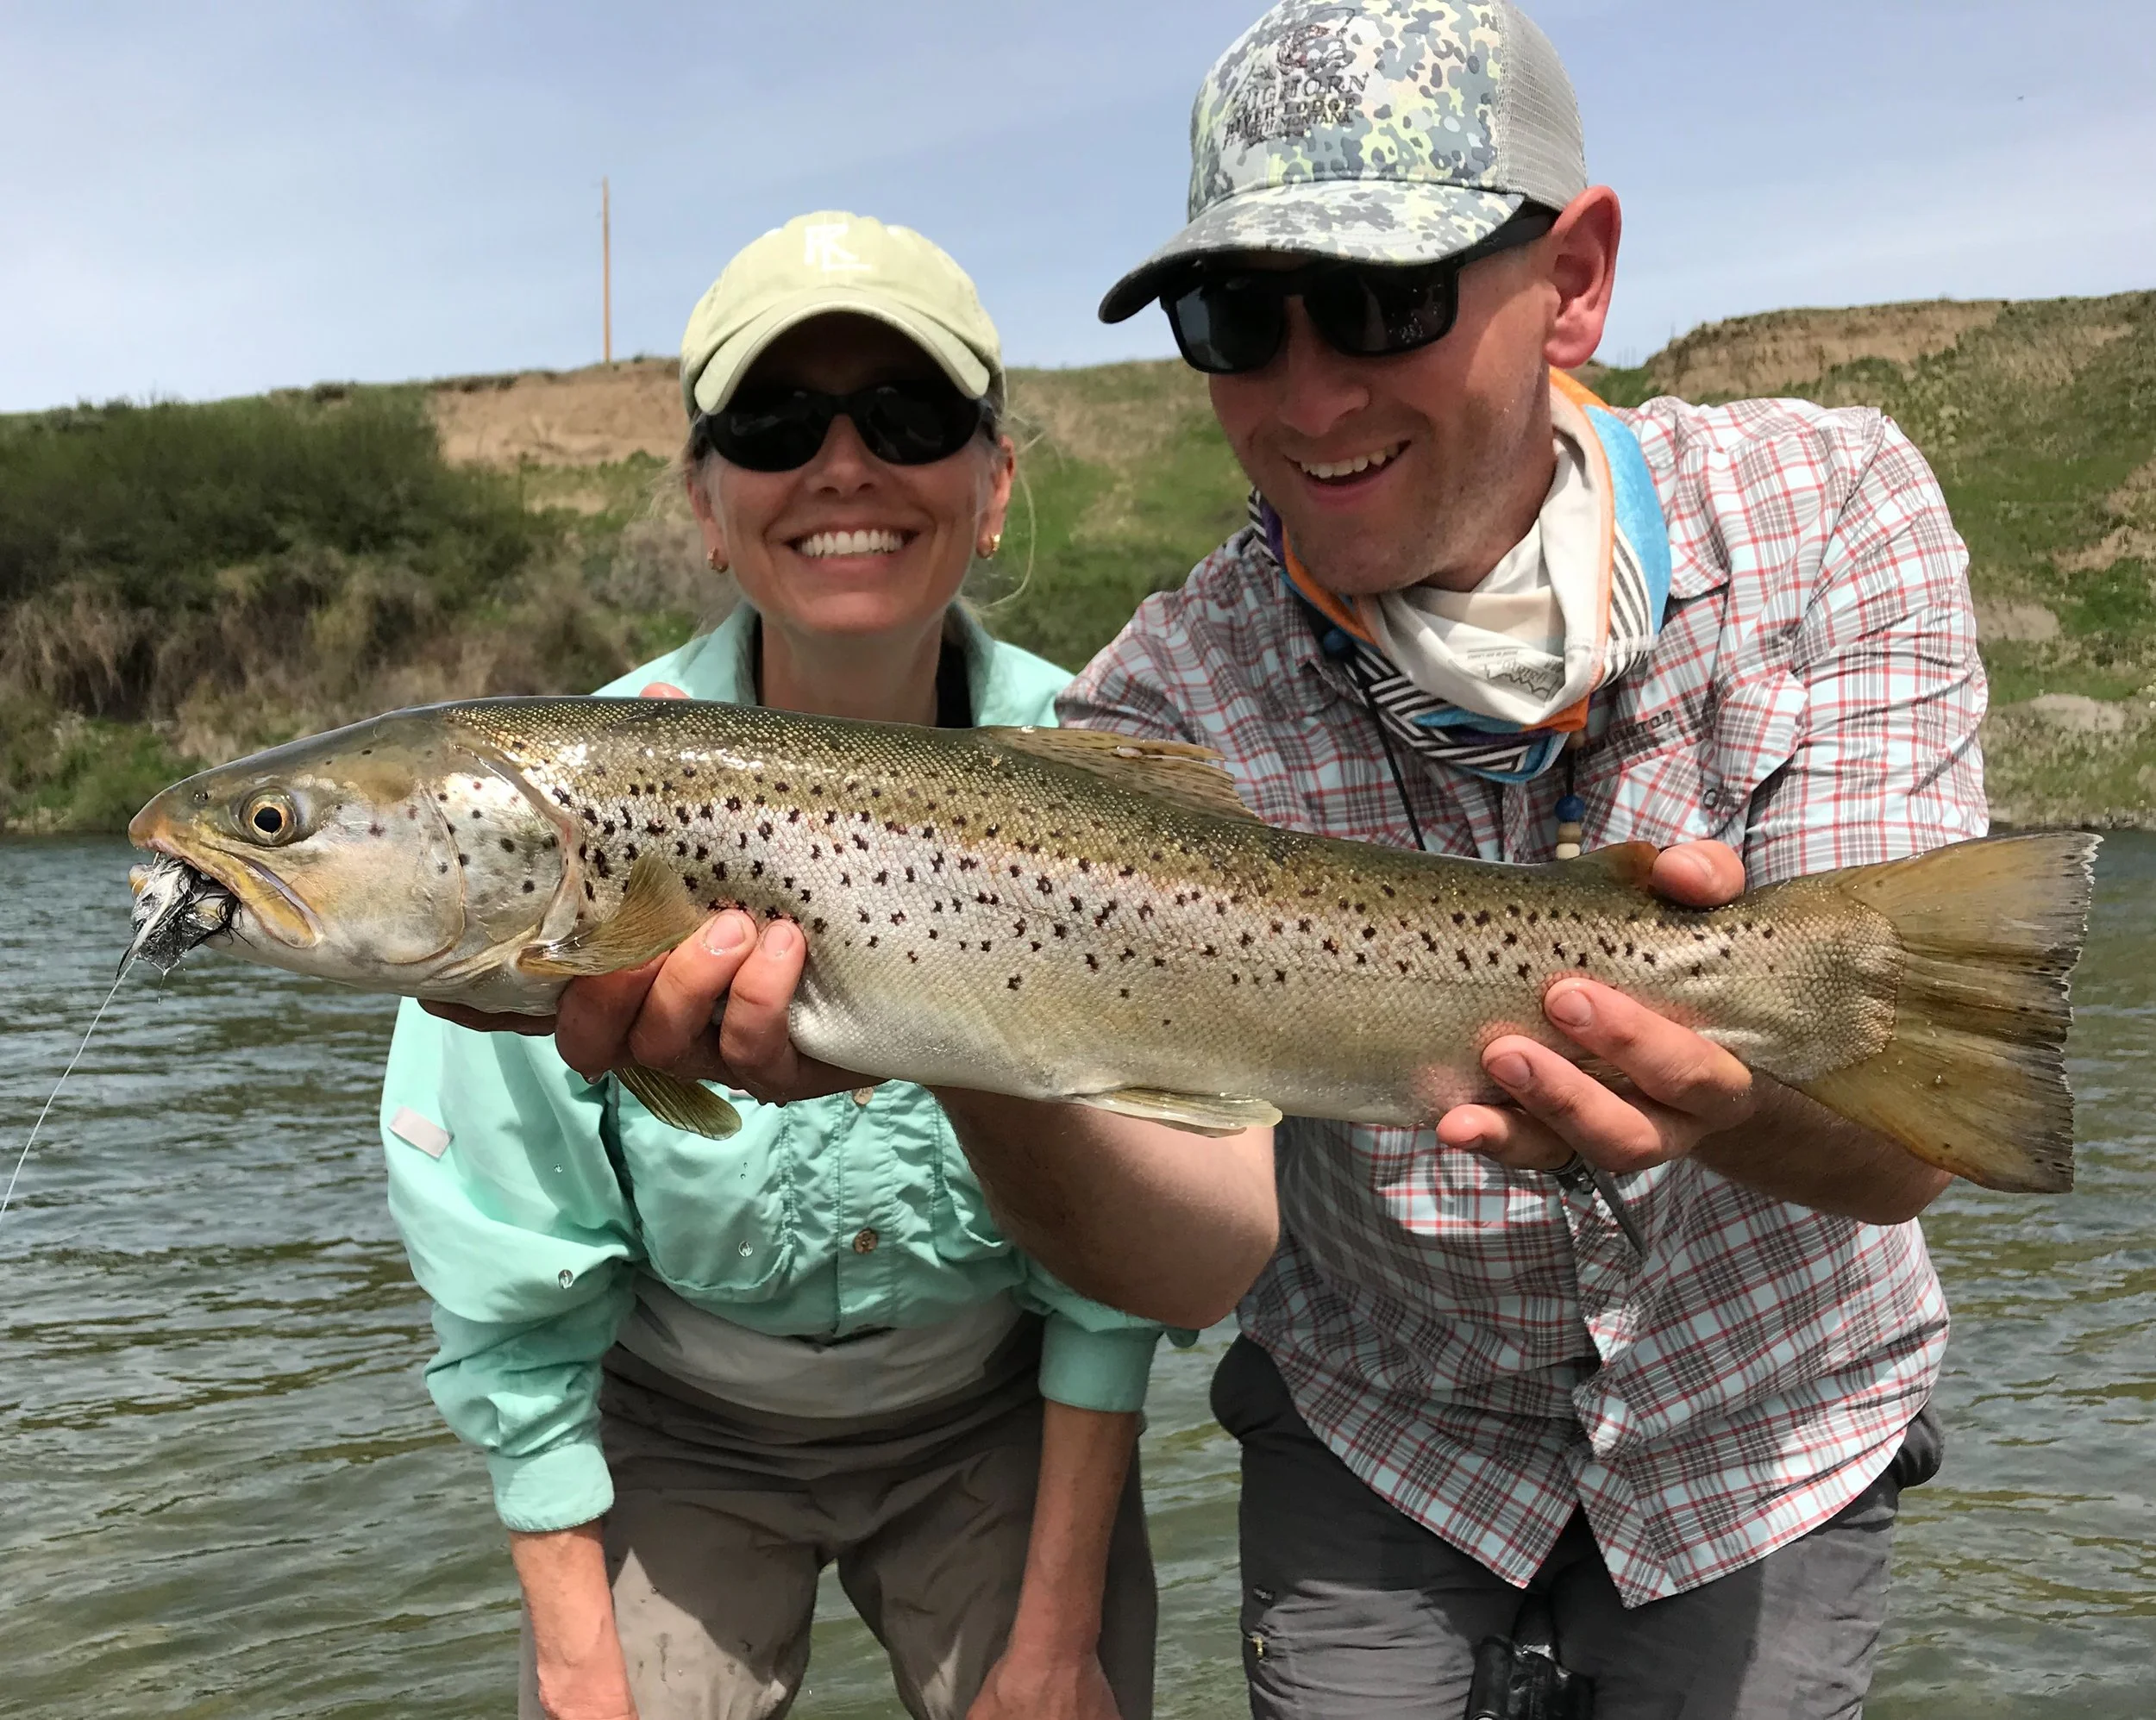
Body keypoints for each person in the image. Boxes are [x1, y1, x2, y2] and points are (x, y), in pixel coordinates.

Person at [378, 210, 1161, 1720]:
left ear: (994, 487)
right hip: (678, 1428)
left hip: (1007, 1412)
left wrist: (1057, 1639)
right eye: (777, 422)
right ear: (707, 499)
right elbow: (507, 1274)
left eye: (913, 417)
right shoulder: (548, 813)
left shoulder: (1111, 771)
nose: (845, 464)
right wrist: (576, 1662)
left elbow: (1124, 1274)